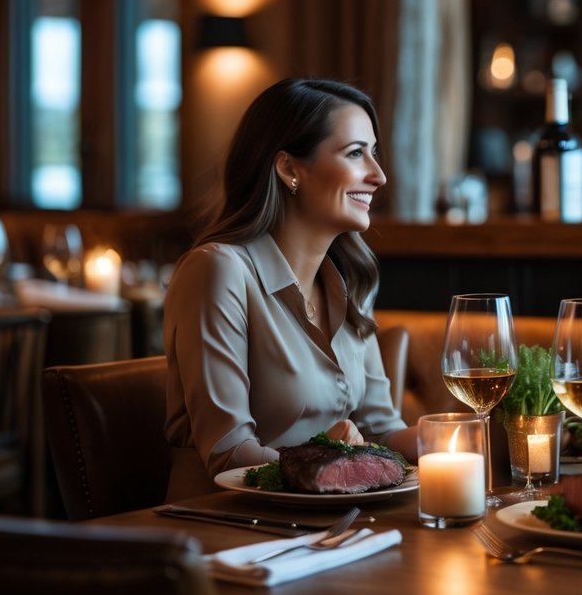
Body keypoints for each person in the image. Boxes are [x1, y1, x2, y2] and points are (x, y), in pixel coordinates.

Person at [162, 77, 415, 501]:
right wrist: (328, 456)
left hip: (324, 525)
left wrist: (460, 439)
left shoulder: (351, 282)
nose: (379, 176)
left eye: (375, 154)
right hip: (223, 530)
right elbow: (228, 454)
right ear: (289, 168)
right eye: (356, 153)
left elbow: (382, 429)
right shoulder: (218, 271)